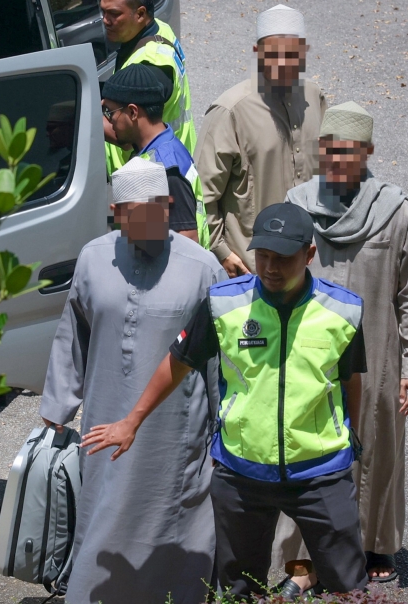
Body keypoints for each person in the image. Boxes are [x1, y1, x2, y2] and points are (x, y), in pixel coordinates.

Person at [83, 202, 371, 598]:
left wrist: (352, 436)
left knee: (347, 584)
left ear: (308, 255)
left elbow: (350, 379)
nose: (270, 267)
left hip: (321, 471)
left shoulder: (342, 310)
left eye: (283, 258)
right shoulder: (225, 305)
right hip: (241, 471)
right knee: (239, 588)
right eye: (262, 255)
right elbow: (178, 362)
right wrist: (132, 420)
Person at [40, 157, 225, 604]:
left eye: (157, 211)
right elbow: (73, 334)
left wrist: (225, 427)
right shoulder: (93, 258)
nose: (149, 224)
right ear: (117, 213)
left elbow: (220, 360)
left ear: (167, 206)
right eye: (136, 216)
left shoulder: (202, 268)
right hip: (105, 418)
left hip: (176, 428)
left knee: (173, 518)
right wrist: (57, 407)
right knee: (103, 513)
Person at [269, 102, 408, 594]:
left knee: (377, 445)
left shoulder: (394, 210)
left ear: (368, 152)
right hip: (308, 350)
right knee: (304, 442)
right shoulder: (298, 204)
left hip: (377, 353)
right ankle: (302, 554)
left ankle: (376, 542)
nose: (337, 160)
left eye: (348, 152)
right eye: (329, 150)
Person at [196, 4, 327, 277]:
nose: (283, 63)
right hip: (253, 268)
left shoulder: (315, 98)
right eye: (274, 54)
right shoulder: (230, 111)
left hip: (308, 264)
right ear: (258, 52)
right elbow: (201, 193)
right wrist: (221, 251)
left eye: (291, 54)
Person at [100, 0, 197, 165]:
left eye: (114, 14)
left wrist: (80, 114)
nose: (105, 21)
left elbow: (126, 137)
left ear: (140, 14)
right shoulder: (160, 29)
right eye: (103, 11)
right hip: (174, 154)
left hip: (156, 169)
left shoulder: (151, 66)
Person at [101, 63, 202, 243]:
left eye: (109, 112)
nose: (109, 122)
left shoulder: (167, 169)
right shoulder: (157, 148)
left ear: (133, 112)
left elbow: (188, 243)